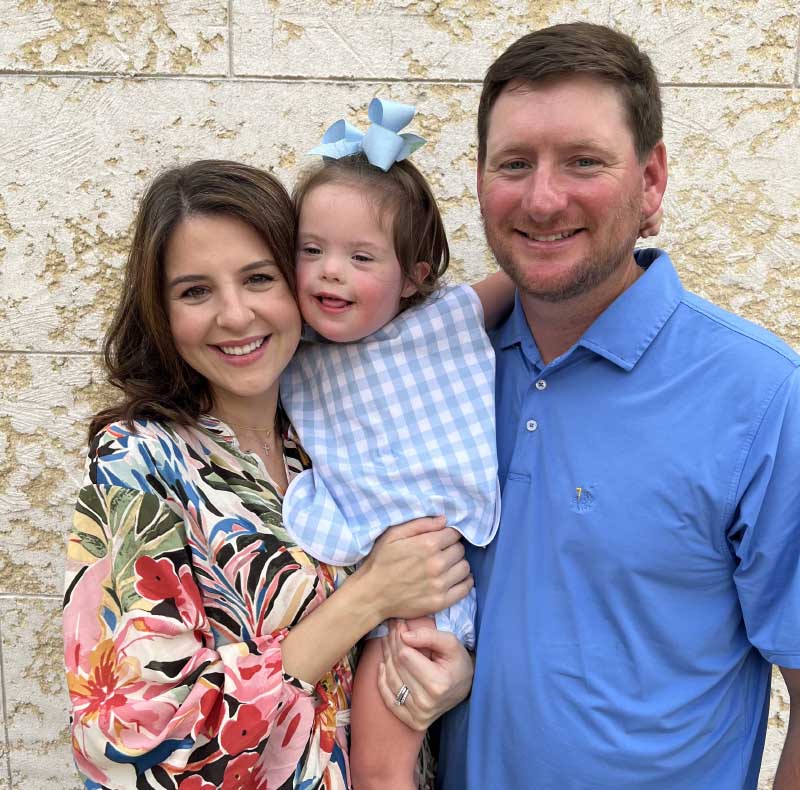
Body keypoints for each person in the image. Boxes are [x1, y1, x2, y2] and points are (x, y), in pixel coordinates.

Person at [417, 21, 800, 790]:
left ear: (651, 182)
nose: (542, 198)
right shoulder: (437, 376)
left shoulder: (762, 397)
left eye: (583, 161)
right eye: (514, 163)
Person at [278, 99, 663, 790]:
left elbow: (526, 278)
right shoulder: (289, 348)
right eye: (312, 251)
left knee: (380, 768)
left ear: (415, 276)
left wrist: (616, 233)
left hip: (422, 594)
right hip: (361, 582)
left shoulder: (441, 323)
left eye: (361, 257)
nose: (330, 271)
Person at [62, 159, 475, 790]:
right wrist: (367, 597)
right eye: (195, 291)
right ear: (161, 312)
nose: (235, 315)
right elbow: (132, 748)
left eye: (258, 278)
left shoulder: (327, 436)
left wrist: (445, 680)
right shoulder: (139, 466)